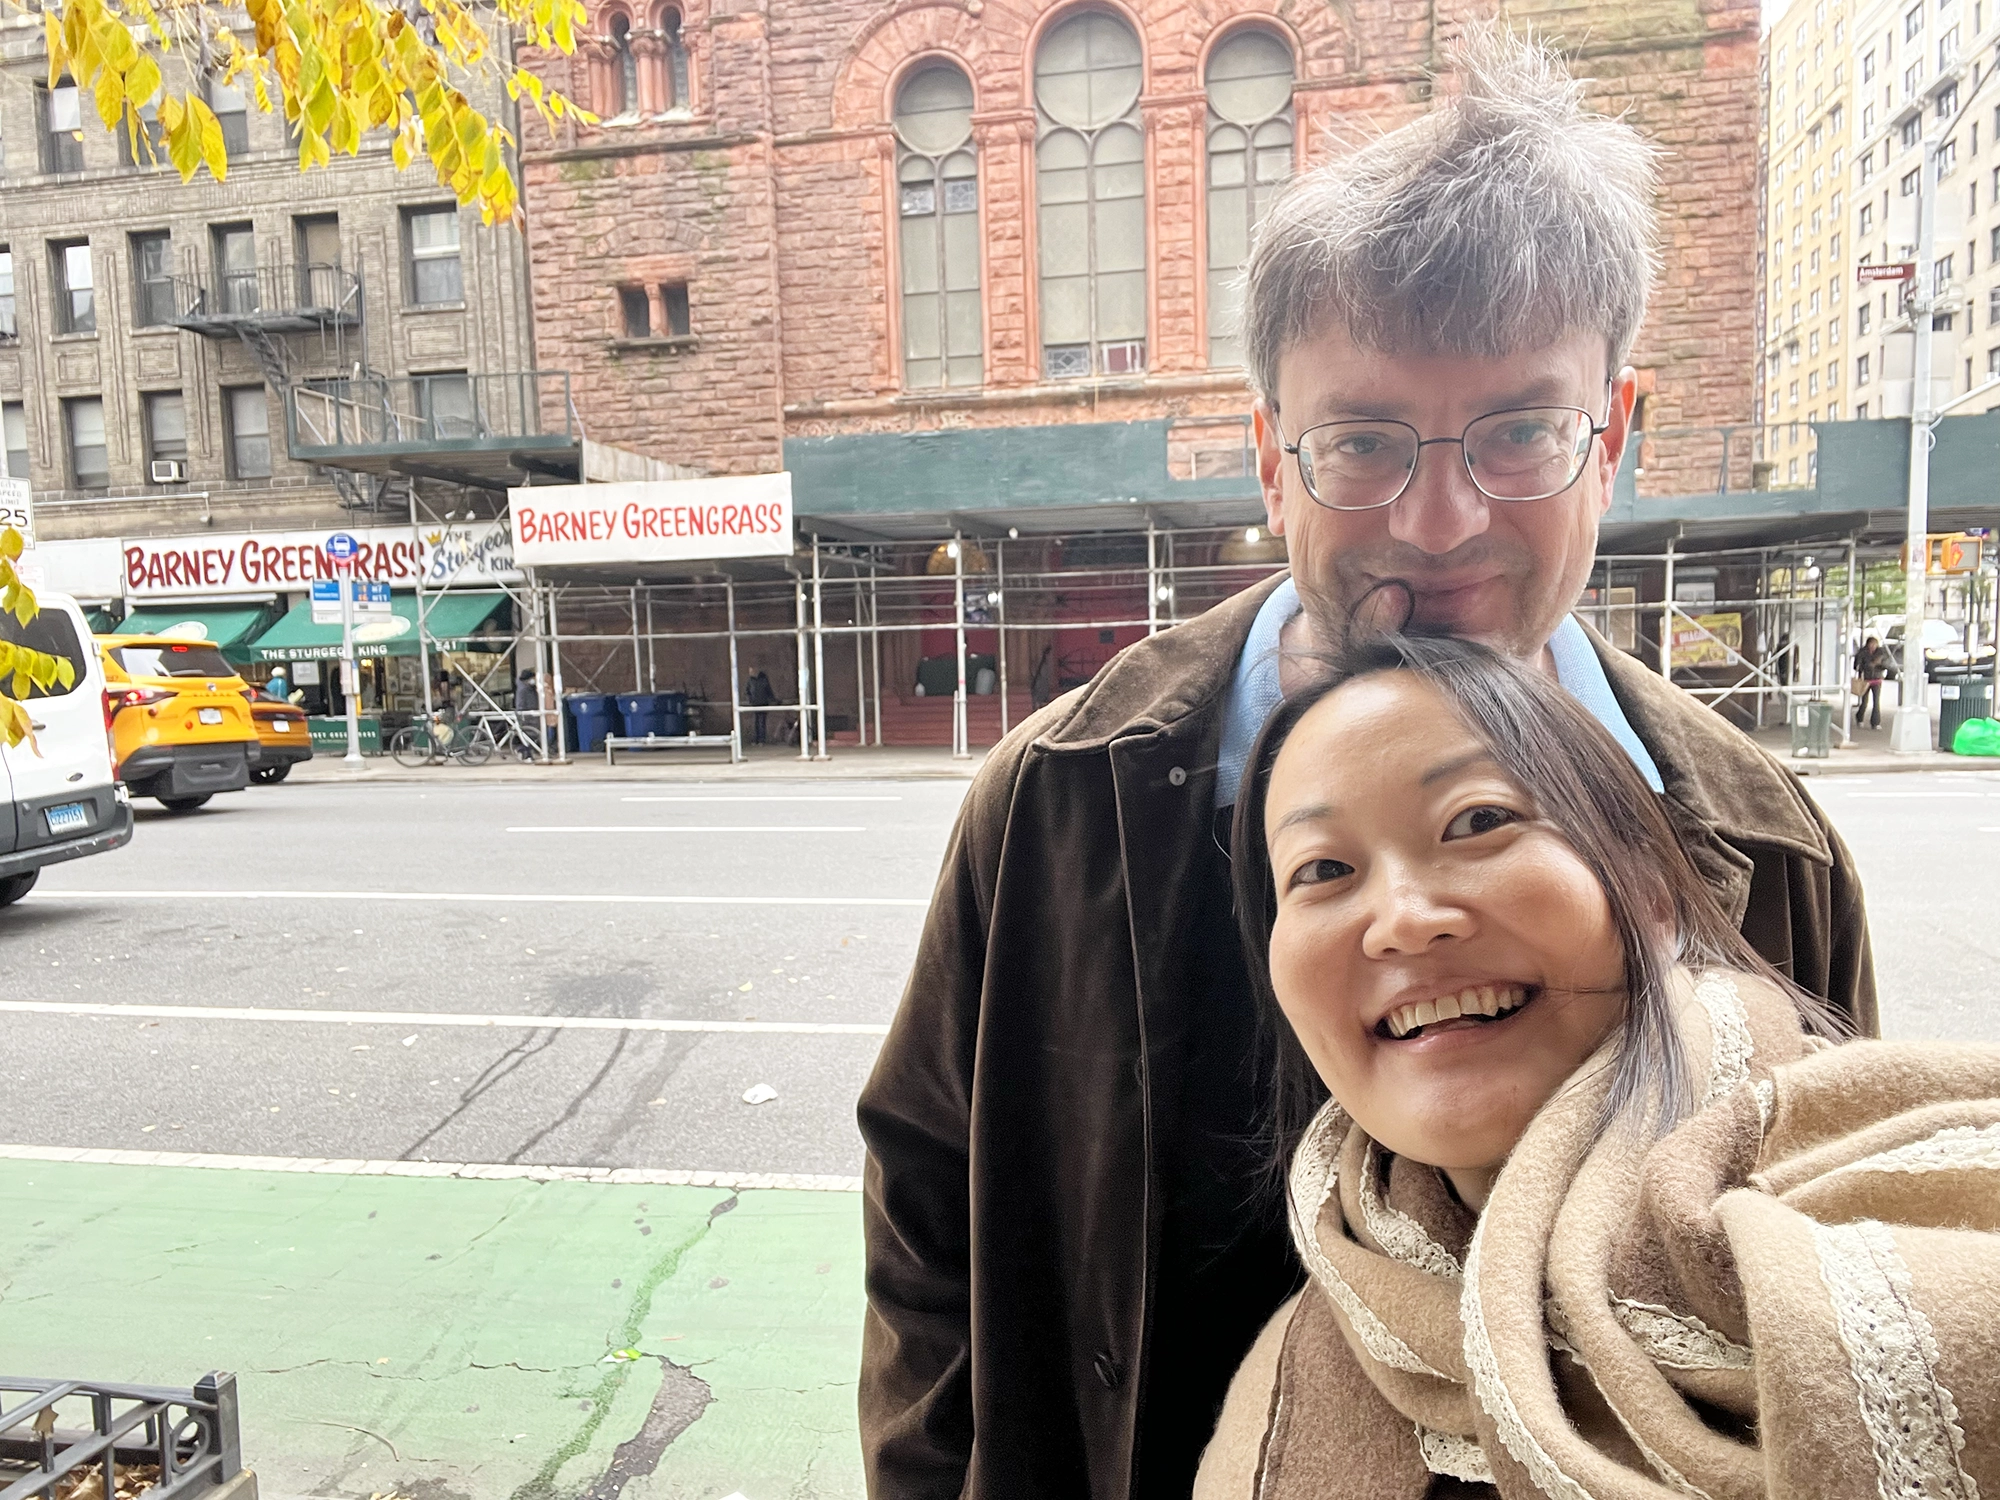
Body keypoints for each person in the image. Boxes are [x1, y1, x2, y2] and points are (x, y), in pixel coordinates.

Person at [856, 31, 1876, 1500]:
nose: (1445, 520)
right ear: (1271, 457)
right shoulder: (1058, 806)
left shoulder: (1766, 854)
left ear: (1617, 435)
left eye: (1521, 431)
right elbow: (929, 1237)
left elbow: (1825, 1278)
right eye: (1365, 443)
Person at [1197, 632, 1999, 1499]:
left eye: (1479, 821)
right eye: (1321, 870)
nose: (1401, 919)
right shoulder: (1289, 1374)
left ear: (1649, 893)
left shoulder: (1938, 1222)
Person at [1853, 634, 1893, 729]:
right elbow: (1856, 666)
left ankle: (1875, 723)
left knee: (1876, 702)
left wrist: (1880, 663)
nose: (1873, 646)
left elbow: (1887, 665)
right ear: (1867, 644)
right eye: (1871, 644)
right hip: (1865, 680)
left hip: (1877, 679)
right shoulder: (1862, 652)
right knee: (1864, 701)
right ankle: (1859, 717)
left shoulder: (1881, 652)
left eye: (1875, 644)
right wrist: (1867, 665)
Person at [746, 666, 775, 745]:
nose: (750, 673)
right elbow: (748, 691)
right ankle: (756, 739)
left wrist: (773, 700)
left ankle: (761, 740)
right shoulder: (751, 681)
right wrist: (750, 700)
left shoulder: (763, 680)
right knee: (756, 722)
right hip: (755, 704)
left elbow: (768, 691)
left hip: (763, 703)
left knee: (761, 722)